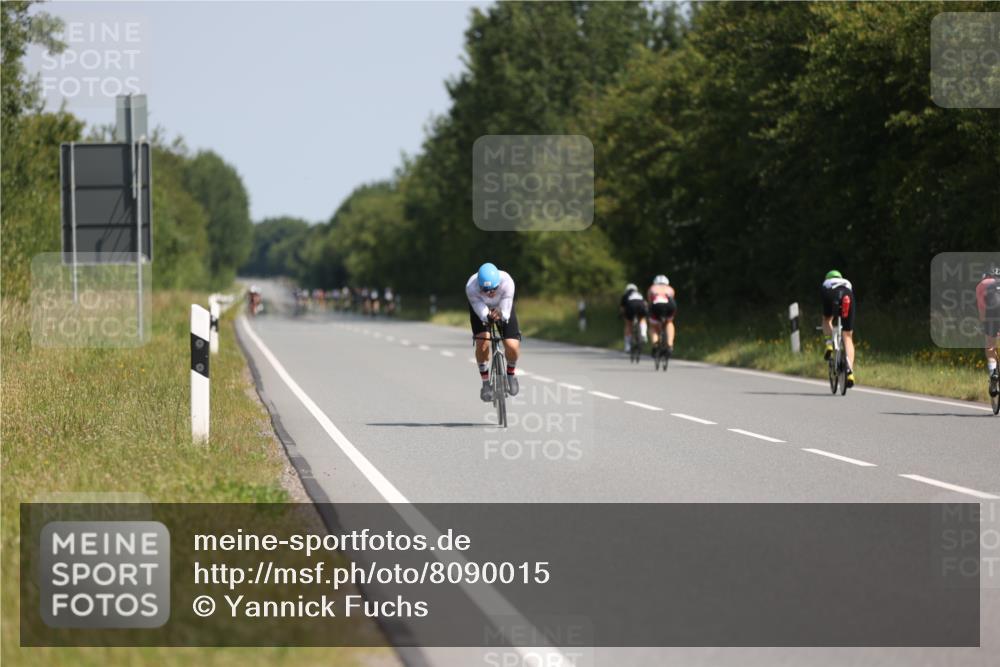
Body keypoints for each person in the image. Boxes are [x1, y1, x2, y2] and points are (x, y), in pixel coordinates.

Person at [466, 262, 520, 401]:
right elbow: (480, 309)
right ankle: (485, 383)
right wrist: (487, 316)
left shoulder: (507, 281)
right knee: (483, 343)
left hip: (502, 306)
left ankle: (510, 374)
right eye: (485, 290)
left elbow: (506, 311)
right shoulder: (471, 287)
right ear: (479, 286)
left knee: (512, 346)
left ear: (499, 283)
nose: (490, 293)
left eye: (493, 289)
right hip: (481, 308)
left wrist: (501, 313)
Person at [821, 270, 856, 387]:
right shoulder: (847, 282)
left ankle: (829, 343)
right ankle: (849, 371)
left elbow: (827, 311)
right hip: (847, 295)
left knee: (826, 320)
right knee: (847, 335)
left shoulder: (826, 283)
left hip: (830, 294)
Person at [976, 266, 1000, 396]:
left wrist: (983, 324)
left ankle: (993, 374)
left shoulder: (982, 285)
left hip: (993, 315)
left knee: (990, 347)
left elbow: (982, 309)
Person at [646, 275, 677, 357]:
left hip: (656, 305)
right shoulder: (670, 289)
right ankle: (670, 344)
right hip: (669, 306)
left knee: (653, 326)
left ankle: (655, 344)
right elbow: (672, 300)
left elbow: (649, 302)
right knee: (669, 322)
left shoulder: (652, 288)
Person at [619, 283, 647, 353]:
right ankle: (643, 334)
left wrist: (622, 315)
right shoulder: (639, 294)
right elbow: (645, 304)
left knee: (628, 324)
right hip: (640, 306)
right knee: (642, 319)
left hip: (630, 307)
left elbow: (622, 308)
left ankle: (627, 346)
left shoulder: (625, 295)